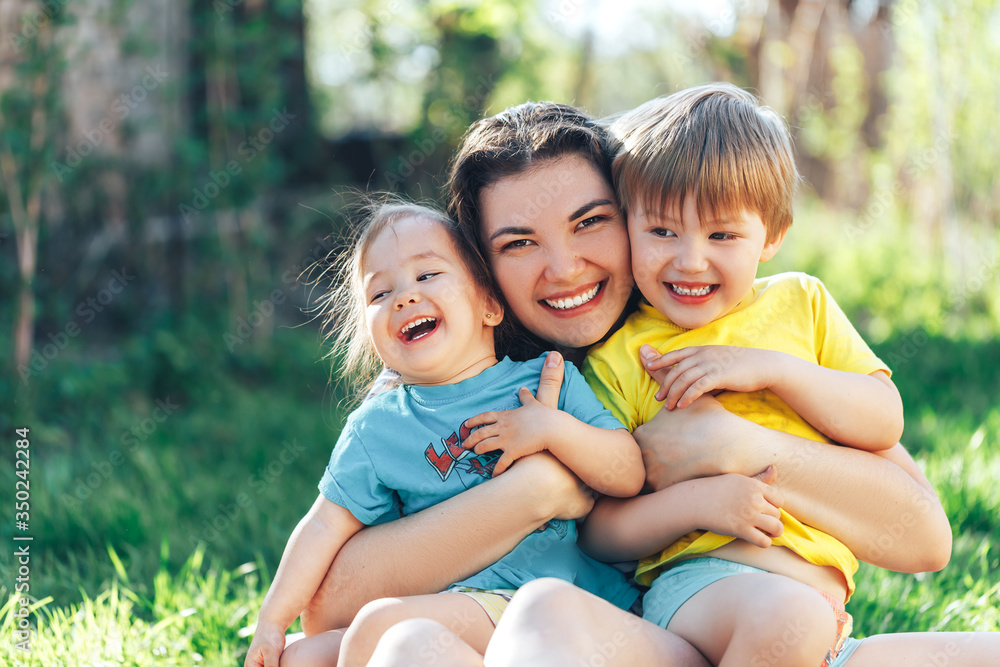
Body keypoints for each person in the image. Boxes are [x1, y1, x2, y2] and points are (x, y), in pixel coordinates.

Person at [284, 101, 953, 666]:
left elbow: (923, 534)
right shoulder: (465, 377)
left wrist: (735, 442)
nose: (565, 267)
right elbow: (328, 602)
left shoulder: (705, 339)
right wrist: (537, 490)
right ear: (481, 271)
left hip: (700, 622)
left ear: (633, 209)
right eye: (519, 243)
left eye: (589, 222)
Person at [574, 81, 897, 666]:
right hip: (698, 590)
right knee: (788, 619)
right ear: (628, 228)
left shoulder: (803, 304)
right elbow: (600, 532)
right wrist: (703, 504)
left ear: (772, 236)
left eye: (722, 235)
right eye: (662, 231)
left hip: (823, 611)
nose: (690, 259)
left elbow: (883, 420)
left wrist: (771, 369)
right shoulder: (621, 354)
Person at [243, 200, 644, 667]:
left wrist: (553, 429)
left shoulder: (543, 382)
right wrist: (272, 621)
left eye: (427, 275)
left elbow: (628, 471)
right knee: (299, 658)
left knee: (377, 628)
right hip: (446, 604)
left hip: (538, 598)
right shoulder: (376, 428)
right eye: (379, 294)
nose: (404, 297)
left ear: (489, 305)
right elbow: (322, 526)